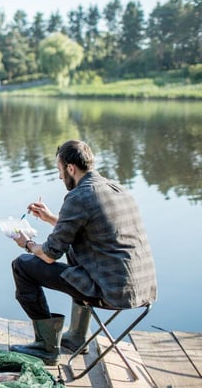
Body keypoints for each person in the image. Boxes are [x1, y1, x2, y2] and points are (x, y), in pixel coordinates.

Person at [8, 140, 157, 365]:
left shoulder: (78, 196)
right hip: (142, 289)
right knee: (74, 245)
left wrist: (27, 243)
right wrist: (50, 219)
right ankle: (77, 336)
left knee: (22, 266)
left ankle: (47, 346)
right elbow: (92, 230)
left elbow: (49, 255)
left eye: (59, 170)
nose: (59, 177)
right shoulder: (117, 189)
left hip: (111, 293)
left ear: (70, 168)